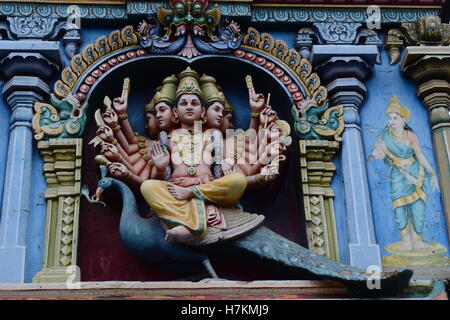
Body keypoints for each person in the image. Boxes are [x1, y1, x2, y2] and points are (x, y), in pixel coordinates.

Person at [369, 96, 439, 251]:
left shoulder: (410, 135)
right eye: (389, 118)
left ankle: (418, 240)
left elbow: (419, 155)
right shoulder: (384, 136)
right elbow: (380, 154)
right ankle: (406, 241)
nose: (391, 121)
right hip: (398, 176)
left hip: (416, 173)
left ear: (403, 119)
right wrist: (376, 152)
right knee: (399, 209)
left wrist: (432, 172)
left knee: (418, 207)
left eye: (395, 118)